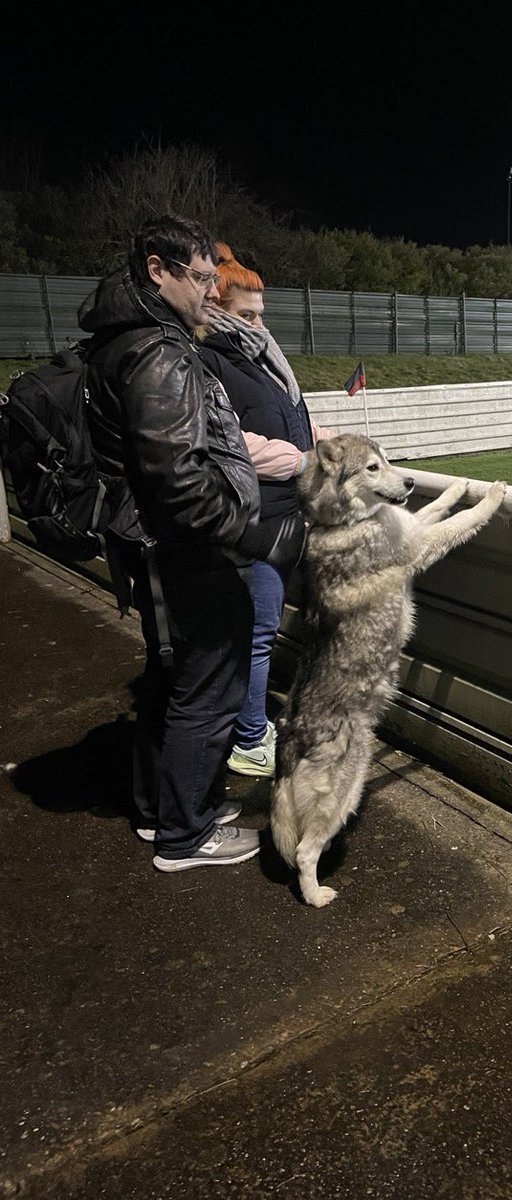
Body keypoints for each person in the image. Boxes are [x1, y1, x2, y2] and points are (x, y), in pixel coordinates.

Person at [78, 215, 305, 871]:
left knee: (173, 681)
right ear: (158, 269)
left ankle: (164, 811)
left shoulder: (127, 337)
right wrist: (259, 535)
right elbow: (178, 481)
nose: (211, 291)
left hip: (148, 542)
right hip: (180, 547)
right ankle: (186, 834)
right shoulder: (157, 350)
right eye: (201, 277)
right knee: (208, 687)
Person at [196, 244, 328, 778]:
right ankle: (249, 737)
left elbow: (292, 421)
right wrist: (301, 461)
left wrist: (329, 446)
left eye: (260, 315)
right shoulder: (209, 360)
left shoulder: (259, 360)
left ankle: (247, 723)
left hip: (279, 516)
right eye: (246, 315)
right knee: (256, 631)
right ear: (217, 308)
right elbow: (229, 442)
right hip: (251, 520)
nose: (258, 325)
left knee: (258, 628)